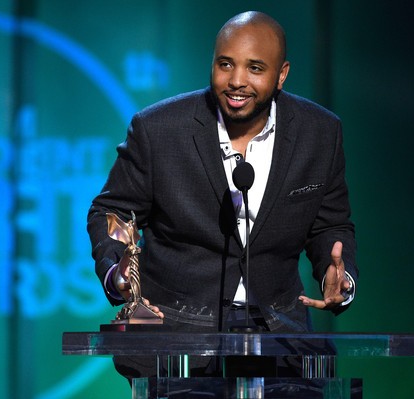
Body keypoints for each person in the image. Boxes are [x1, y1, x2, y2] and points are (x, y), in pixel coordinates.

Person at [87, 10, 357, 381]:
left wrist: (335, 273)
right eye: (225, 64)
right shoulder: (159, 129)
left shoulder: (319, 132)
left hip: (281, 338)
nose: (236, 81)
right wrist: (118, 273)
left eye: (255, 68)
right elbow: (111, 211)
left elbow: (330, 224)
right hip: (177, 336)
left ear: (282, 75)